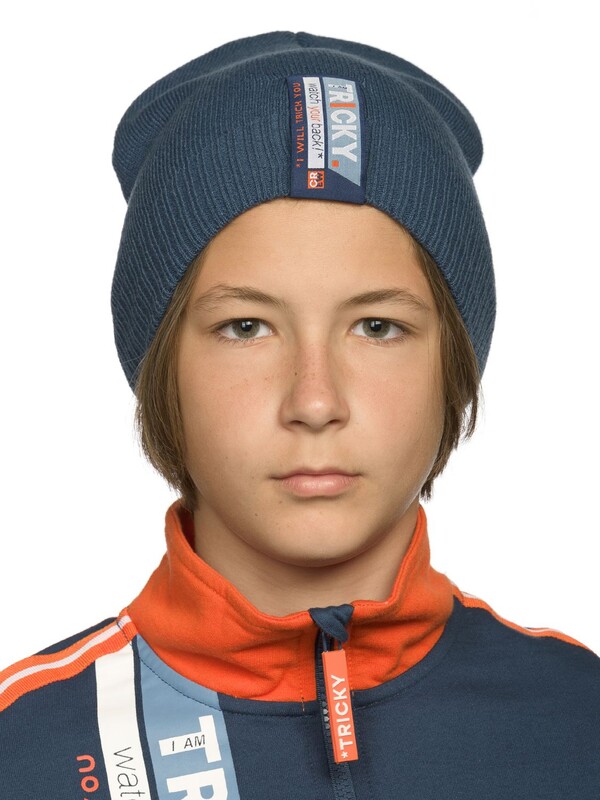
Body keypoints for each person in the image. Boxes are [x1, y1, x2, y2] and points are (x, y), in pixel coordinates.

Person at [1, 30, 598, 798]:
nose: (315, 401)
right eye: (246, 327)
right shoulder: (23, 754)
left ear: (452, 362)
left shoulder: (579, 720)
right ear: (161, 368)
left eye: (377, 327)